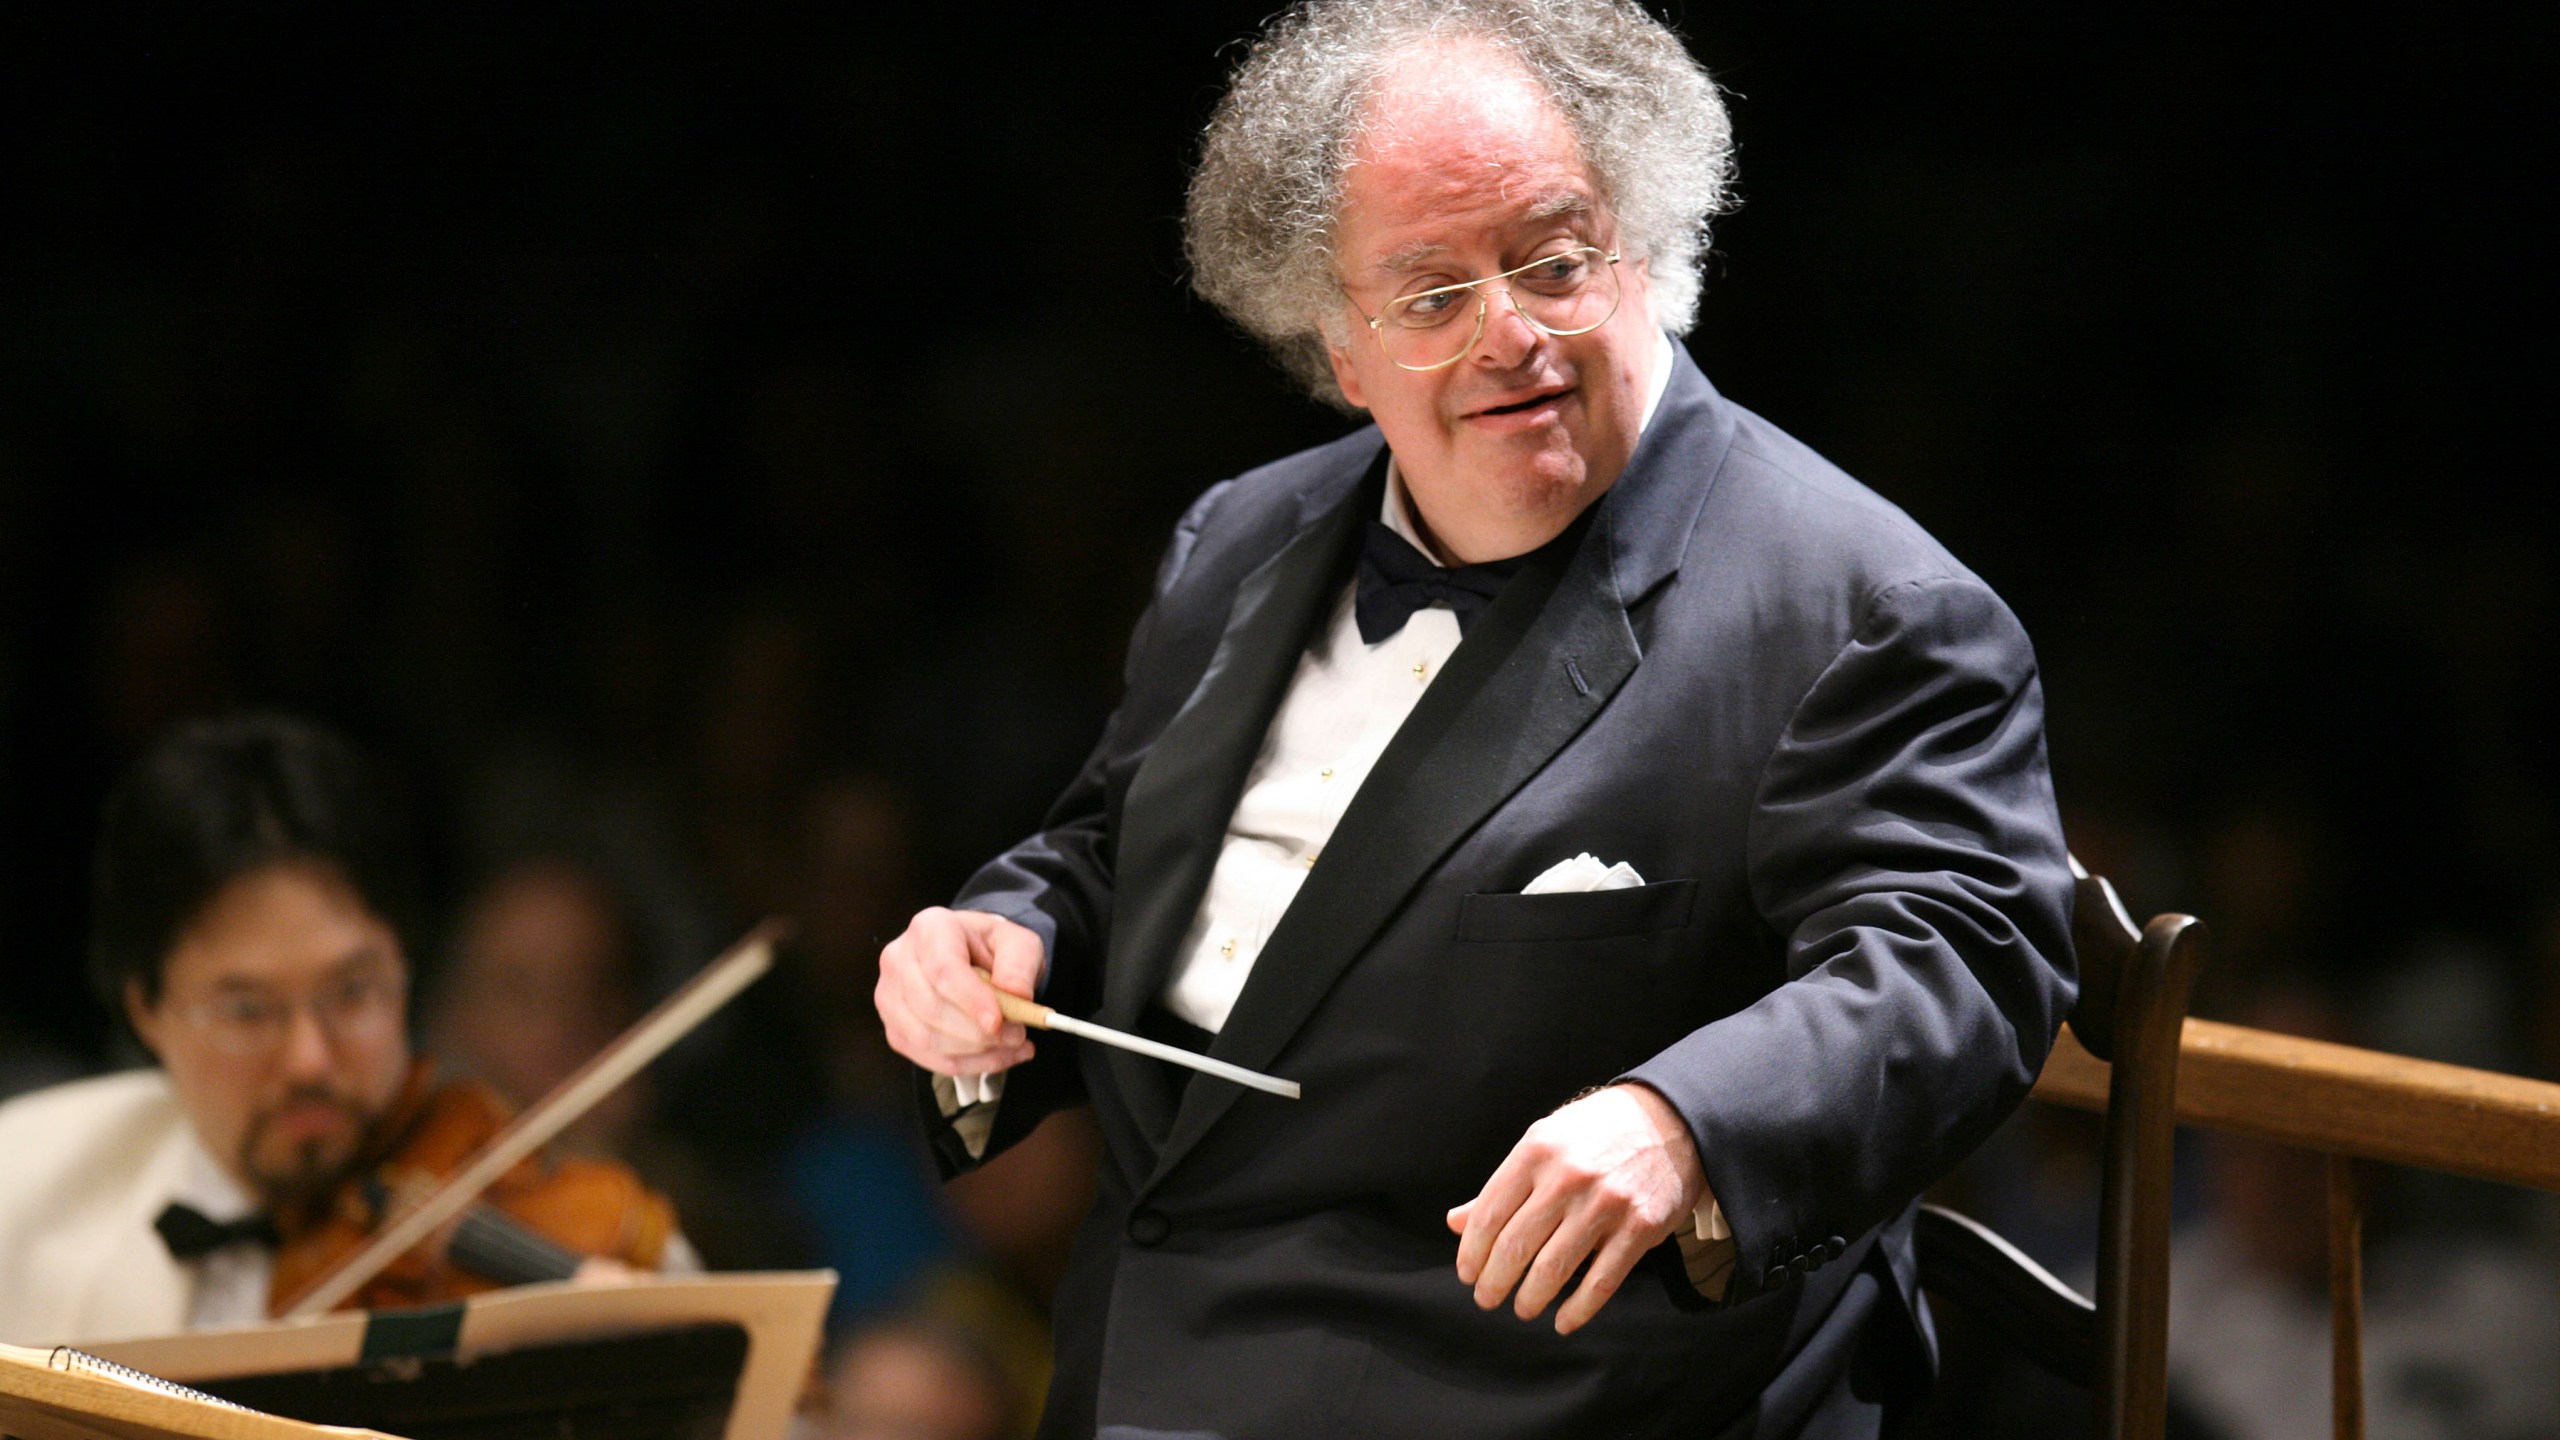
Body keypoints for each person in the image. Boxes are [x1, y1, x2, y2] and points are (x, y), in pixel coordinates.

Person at [872, 2, 2074, 1434]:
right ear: (1339, 343)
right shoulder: (1236, 538)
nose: (1512, 334)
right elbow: (1109, 850)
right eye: (1432, 294)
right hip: (1135, 1366)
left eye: (1556, 262)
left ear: (1654, 250)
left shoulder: (1860, 603)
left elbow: (1966, 955)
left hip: (1538, 1392)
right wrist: (1007, 936)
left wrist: (1684, 1124)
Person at [0, 714, 693, 1345]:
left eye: (352, 992)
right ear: (146, 1012)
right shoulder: (25, 1191)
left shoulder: (570, 1225)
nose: (309, 1059)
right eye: (247, 1010)